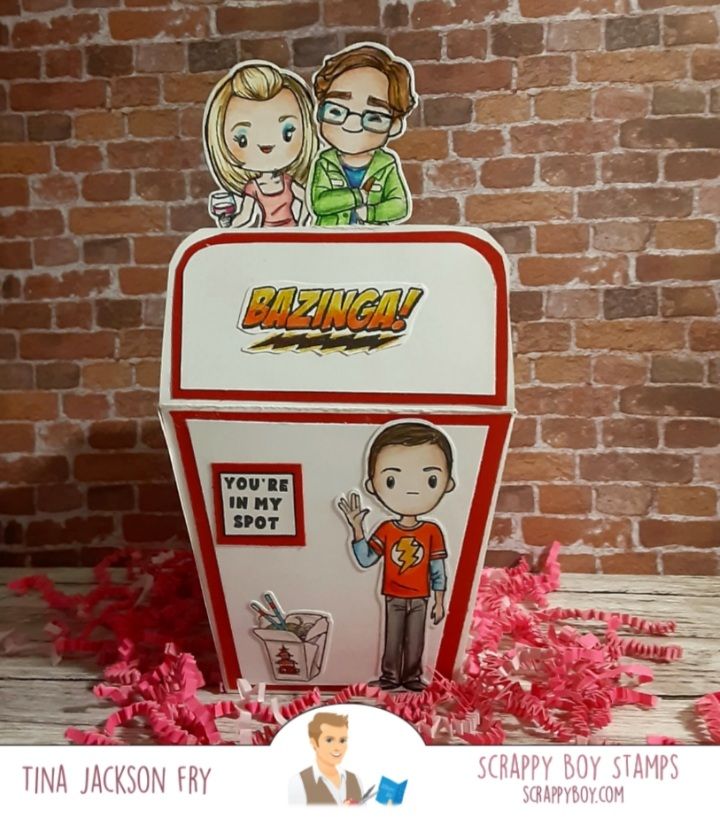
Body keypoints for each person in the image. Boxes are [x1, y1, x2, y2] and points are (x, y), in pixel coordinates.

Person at [337, 422, 454, 692]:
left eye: (430, 479)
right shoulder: (387, 529)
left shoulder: (432, 531)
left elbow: (438, 569)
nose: (411, 491)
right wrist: (357, 529)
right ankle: (390, 676)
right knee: (392, 638)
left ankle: (412, 676)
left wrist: (439, 602)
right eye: (392, 480)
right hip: (393, 595)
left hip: (421, 597)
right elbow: (366, 559)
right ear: (372, 485)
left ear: (447, 483)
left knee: (415, 639)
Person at [309, 43, 417, 226]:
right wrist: (357, 196)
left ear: (394, 125)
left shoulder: (386, 164)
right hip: (330, 238)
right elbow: (319, 203)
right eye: (336, 111)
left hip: (373, 240)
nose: (353, 124)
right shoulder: (325, 162)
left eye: (374, 117)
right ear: (319, 111)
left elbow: (400, 205)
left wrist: (371, 213)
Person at [204, 61, 318, 228]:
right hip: (266, 234)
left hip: (291, 232)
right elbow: (245, 216)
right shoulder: (253, 188)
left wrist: (301, 224)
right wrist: (227, 224)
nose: (266, 142)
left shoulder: (288, 182)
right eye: (242, 139)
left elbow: (308, 202)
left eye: (287, 133)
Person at [288, 712, 363, 805]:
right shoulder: (299, 783)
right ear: (314, 743)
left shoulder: (356, 780)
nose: (338, 747)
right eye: (329, 740)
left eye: (342, 740)